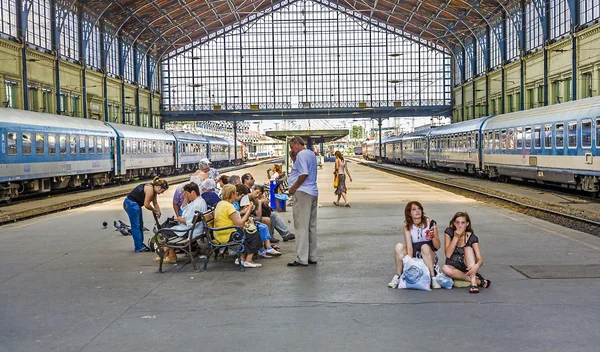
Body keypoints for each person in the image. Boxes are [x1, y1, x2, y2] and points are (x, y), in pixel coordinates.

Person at [388, 201, 441, 289]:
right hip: (415, 252)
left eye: (419, 209)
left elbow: (437, 246)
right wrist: (411, 265)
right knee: (399, 247)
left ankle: (433, 277)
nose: (417, 211)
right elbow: (409, 246)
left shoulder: (431, 223)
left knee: (424, 247)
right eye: (414, 209)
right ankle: (398, 275)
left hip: (429, 254)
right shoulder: (407, 225)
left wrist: (433, 236)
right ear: (409, 213)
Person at [155, 182, 207, 263]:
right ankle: (168, 255)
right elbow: (184, 209)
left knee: (164, 231)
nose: (185, 195)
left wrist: (182, 220)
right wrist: (186, 198)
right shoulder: (197, 201)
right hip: (190, 228)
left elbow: (193, 223)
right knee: (167, 228)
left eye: (187, 193)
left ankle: (169, 256)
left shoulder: (197, 204)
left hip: (190, 230)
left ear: (193, 192)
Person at [287, 136, 318, 267]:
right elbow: (302, 169)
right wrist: (293, 158)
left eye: (292, 147)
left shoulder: (301, 155)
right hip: (313, 192)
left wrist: (293, 188)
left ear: (297, 144)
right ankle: (312, 256)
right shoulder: (310, 154)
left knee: (301, 227)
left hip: (303, 193)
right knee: (311, 226)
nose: (291, 150)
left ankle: (302, 259)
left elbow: (303, 173)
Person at [213, 185, 263, 268]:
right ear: (232, 194)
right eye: (235, 193)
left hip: (219, 233)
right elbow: (240, 223)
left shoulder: (220, 203)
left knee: (246, 232)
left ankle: (242, 258)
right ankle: (248, 260)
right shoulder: (229, 206)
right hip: (227, 234)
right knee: (254, 234)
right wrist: (249, 210)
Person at [442, 212, 491, 293]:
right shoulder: (449, 232)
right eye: (457, 222)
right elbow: (448, 254)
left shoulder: (472, 237)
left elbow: (480, 259)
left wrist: (476, 266)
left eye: (463, 223)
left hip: (466, 267)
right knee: (445, 268)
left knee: (468, 249)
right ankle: (478, 281)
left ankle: (474, 284)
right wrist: (455, 237)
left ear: (467, 224)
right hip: (453, 266)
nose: (460, 225)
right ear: (454, 223)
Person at [123, 176, 169, 252]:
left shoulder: (154, 191)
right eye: (163, 191)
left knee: (140, 225)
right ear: (159, 187)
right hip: (131, 204)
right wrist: (154, 210)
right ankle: (138, 247)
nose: (162, 193)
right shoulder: (150, 189)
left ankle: (140, 245)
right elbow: (146, 204)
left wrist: (158, 212)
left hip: (135, 205)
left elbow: (155, 203)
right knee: (136, 226)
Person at [236, 185, 281, 258]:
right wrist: (245, 211)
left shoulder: (254, 199)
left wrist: (259, 203)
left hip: (248, 219)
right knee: (261, 226)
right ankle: (264, 248)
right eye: (256, 193)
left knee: (263, 225)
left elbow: (258, 214)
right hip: (244, 222)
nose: (257, 195)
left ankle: (266, 247)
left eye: (260, 194)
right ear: (252, 189)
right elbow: (243, 214)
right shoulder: (244, 200)